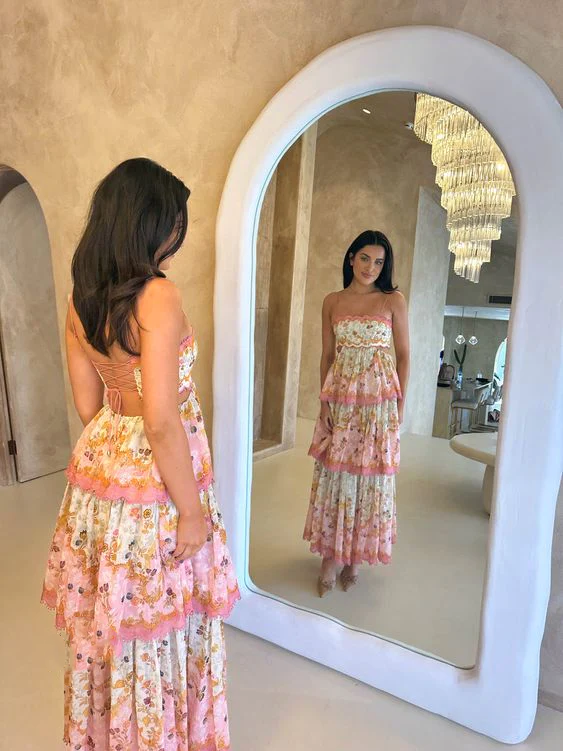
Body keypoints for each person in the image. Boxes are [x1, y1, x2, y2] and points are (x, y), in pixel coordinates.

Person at [41, 158, 239, 750]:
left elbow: (88, 403)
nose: (178, 235)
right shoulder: (158, 295)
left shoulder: (81, 299)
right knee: (159, 617)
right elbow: (160, 419)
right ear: (150, 222)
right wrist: (192, 512)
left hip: (102, 469)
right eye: (175, 222)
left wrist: (119, 440)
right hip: (158, 478)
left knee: (116, 615)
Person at [303, 230, 410, 597]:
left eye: (379, 262)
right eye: (365, 258)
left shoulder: (392, 300)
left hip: (378, 402)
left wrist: (400, 404)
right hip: (342, 397)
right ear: (351, 258)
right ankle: (330, 557)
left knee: (370, 476)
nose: (370, 267)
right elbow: (326, 356)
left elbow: (404, 356)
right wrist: (323, 401)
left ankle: (355, 558)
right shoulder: (332, 301)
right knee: (336, 474)